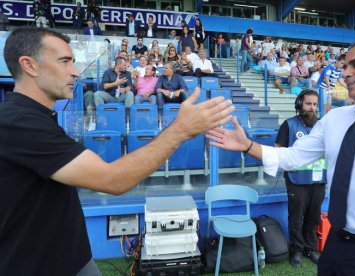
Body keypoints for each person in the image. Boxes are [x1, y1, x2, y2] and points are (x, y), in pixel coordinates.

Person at [0, 27, 234, 275]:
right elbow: (113, 179)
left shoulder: (34, 119)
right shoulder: (18, 123)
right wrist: (180, 130)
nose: (75, 71)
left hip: (73, 260)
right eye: (64, 61)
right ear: (30, 65)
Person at [207, 36, 355, 275]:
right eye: (344, 65)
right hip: (337, 247)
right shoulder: (336, 120)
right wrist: (248, 146)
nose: (345, 73)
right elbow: (294, 157)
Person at [275, 90, 326, 268]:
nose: (312, 108)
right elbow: (278, 148)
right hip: (296, 180)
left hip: (319, 180)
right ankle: (296, 249)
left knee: (313, 217)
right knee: (296, 218)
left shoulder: (323, 125)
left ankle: (310, 248)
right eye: (308, 104)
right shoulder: (289, 125)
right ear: (299, 105)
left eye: (314, 104)